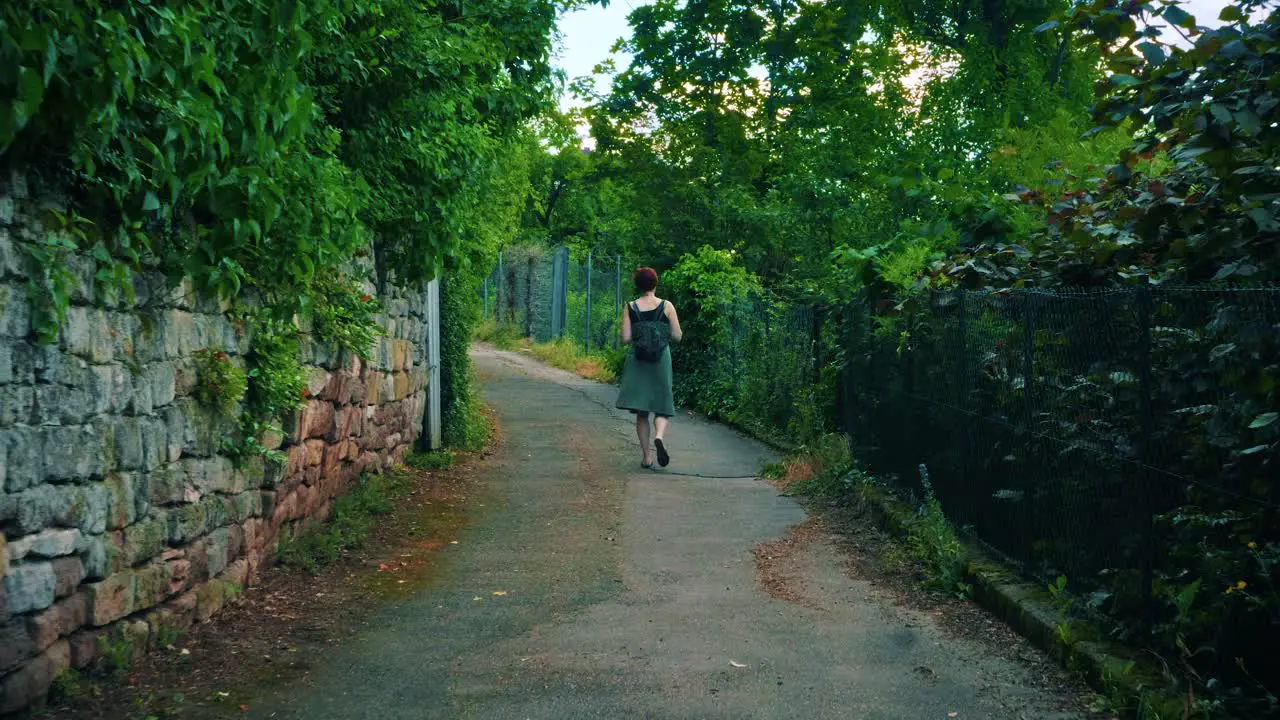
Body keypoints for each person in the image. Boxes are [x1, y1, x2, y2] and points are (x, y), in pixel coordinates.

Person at [616, 267, 683, 468]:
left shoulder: (630, 306)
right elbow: (678, 335)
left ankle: (646, 457)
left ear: (637, 285)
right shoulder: (666, 305)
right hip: (661, 359)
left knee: (642, 411)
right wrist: (661, 334)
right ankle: (660, 437)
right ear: (655, 283)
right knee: (662, 404)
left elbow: (626, 338)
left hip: (638, 360)